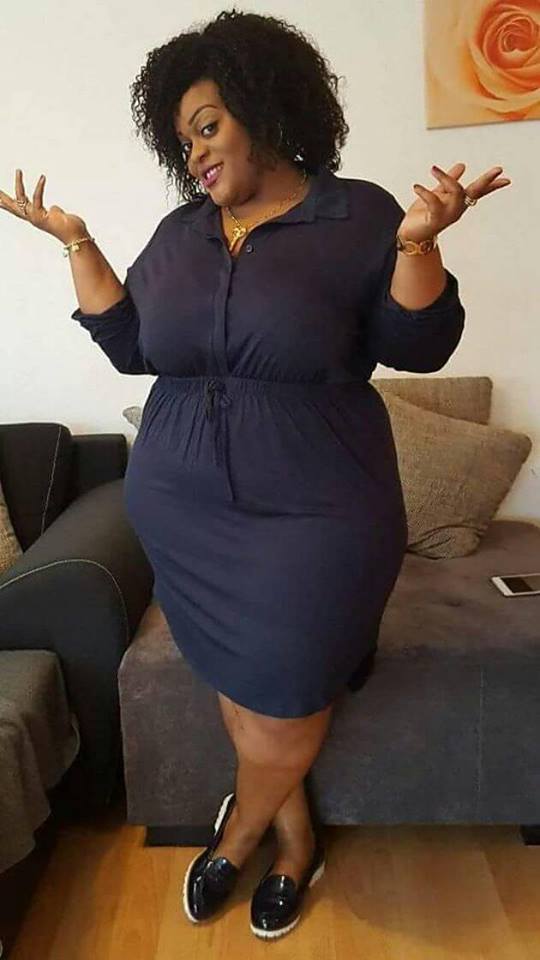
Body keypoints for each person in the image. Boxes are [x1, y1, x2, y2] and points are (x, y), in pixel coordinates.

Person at [0, 6, 511, 941]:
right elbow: (131, 347)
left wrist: (419, 243)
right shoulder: (181, 234)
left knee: (289, 688)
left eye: (208, 126)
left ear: (265, 108)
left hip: (320, 511)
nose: (195, 153)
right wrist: (77, 242)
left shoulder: (359, 214)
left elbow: (419, 345)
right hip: (184, 511)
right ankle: (297, 839)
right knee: (242, 687)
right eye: (182, 139)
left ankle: (236, 835)